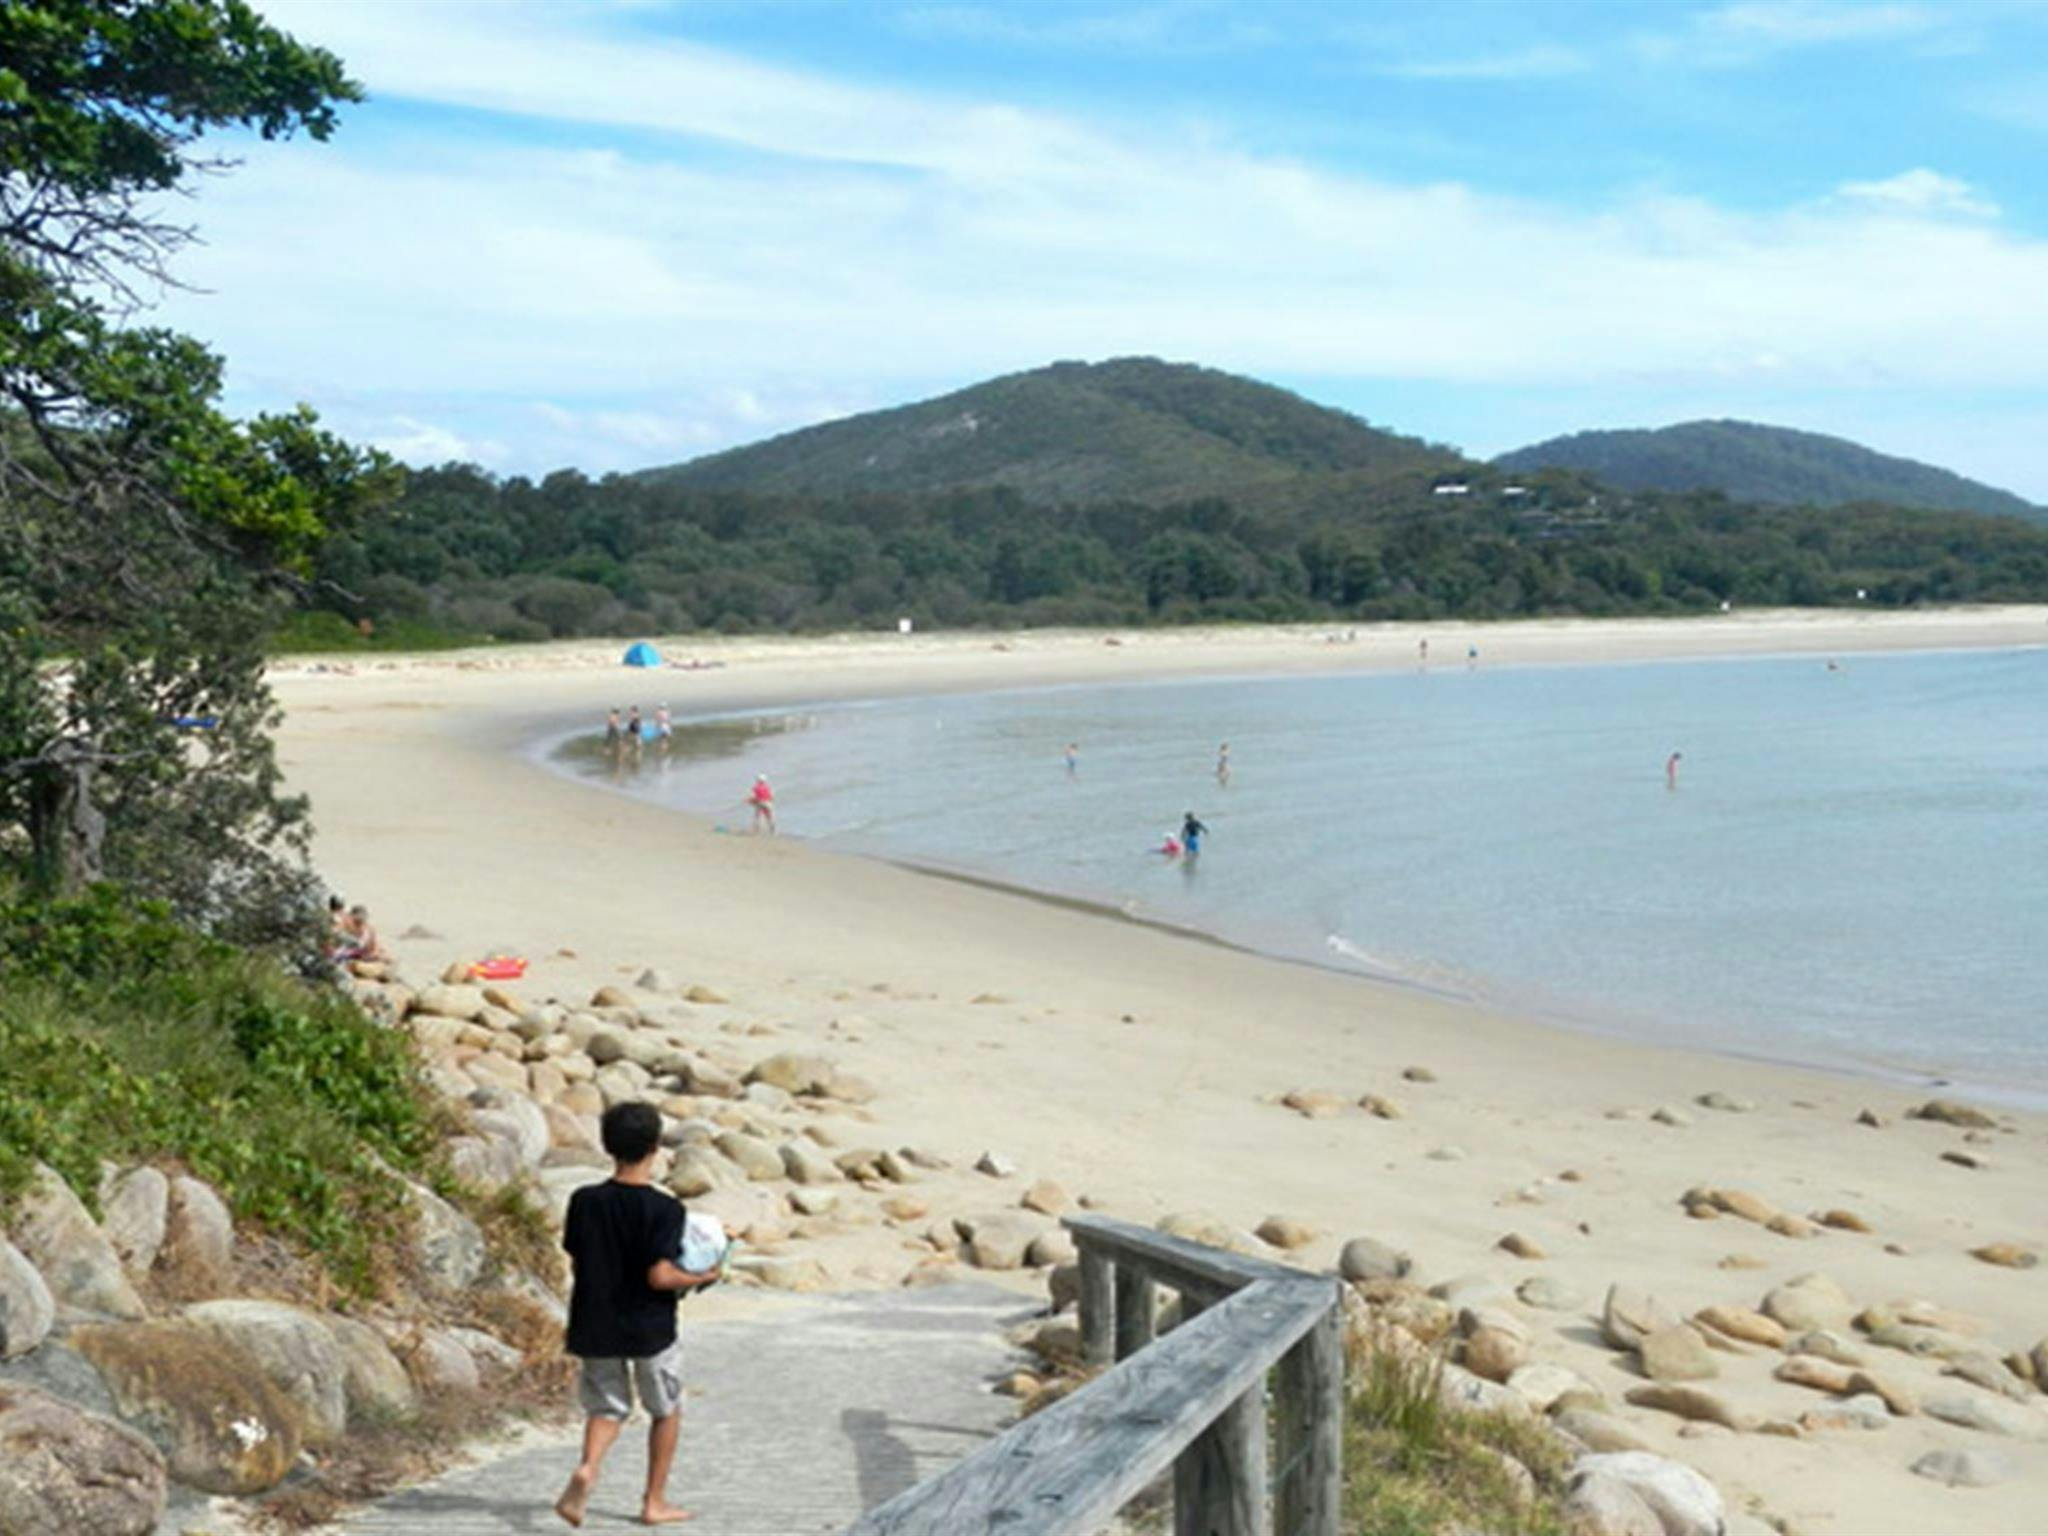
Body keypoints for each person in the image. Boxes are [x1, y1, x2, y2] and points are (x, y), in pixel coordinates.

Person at [555, 1103, 714, 1529]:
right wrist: (705, 1273)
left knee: (606, 1406)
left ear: (608, 1146)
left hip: (594, 1321)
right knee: (666, 1409)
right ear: (655, 1147)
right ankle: (654, 1502)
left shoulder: (584, 1201)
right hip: (650, 1329)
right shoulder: (665, 1210)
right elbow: (660, 1275)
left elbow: (576, 1255)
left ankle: (589, 1467)